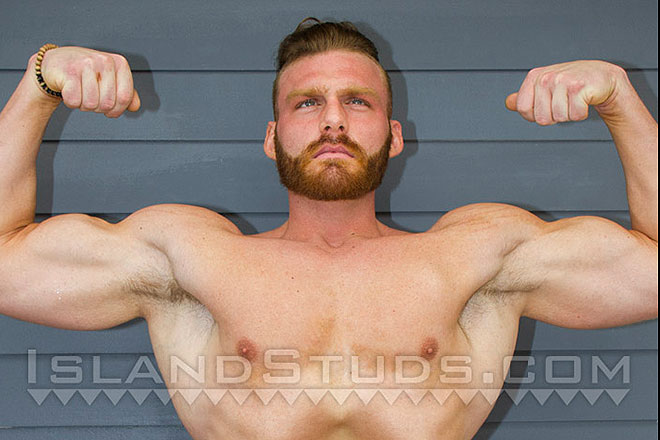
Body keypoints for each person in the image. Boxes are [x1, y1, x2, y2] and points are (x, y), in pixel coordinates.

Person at [0, 19, 656, 440]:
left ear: (393, 136)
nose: (333, 121)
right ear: (272, 137)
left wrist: (621, 101)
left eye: (357, 102)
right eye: (308, 102)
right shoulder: (192, 258)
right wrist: (38, 84)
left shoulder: (473, 257)